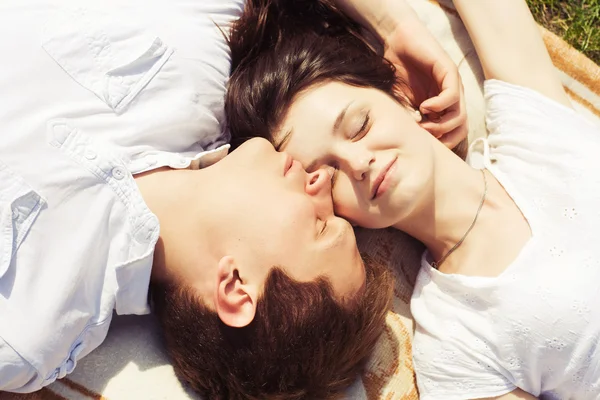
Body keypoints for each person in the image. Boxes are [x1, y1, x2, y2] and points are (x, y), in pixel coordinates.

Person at [0, 1, 396, 398]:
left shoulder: (25, 331)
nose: (323, 181)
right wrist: (393, 29)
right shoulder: (206, 74)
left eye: (321, 225)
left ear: (236, 287)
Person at [226, 0, 600, 398]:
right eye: (329, 174)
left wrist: (396, 26)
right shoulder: (455, 339)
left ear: (401, 97)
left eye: (359, 125)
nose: (358, 162)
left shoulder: (535, 129)